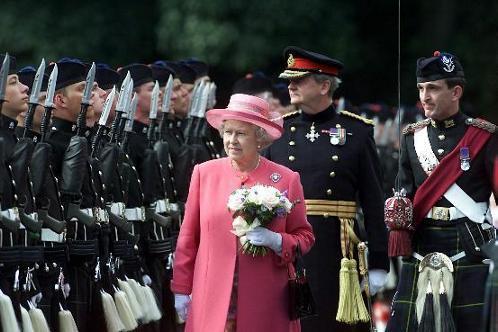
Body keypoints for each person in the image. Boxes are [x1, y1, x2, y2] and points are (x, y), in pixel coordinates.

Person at [264, 46, 389, 331]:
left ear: (324, 85)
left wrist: (380, 260)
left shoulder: (356, 132)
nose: (290, 85)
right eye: (290, 79)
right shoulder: (279, 132)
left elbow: (373, 200)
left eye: (300, 80)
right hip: (288, 246)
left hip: (338, 248)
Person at [172, 93, 315, 332]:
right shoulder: (204, 173)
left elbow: (305, 236)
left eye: (241, 133)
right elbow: (188, 238)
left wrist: (277, 241)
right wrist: (181, 289)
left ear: (259, 138)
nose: (232, 140)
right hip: (212, 294)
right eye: (228, 132)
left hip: (267, 297)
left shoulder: (286, 179)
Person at [386, 51, 498, 331]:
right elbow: (405, 192)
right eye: (421, 88)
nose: (425, 96)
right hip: (421, 248)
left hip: (470, 246)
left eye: (433, 88)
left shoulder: (483, 137)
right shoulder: (413, 137)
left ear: (456, 91)